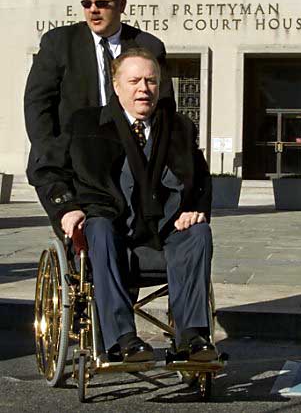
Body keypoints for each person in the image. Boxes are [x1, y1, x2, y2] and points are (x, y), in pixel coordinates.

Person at [33, 48, 217, 364]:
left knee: (199, 232)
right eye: (134, 81)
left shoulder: (179, 128)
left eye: (151, 81)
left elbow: (201, 178)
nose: (143, 89)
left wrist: (196, 207)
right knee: (99, 227)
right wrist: (67, 208)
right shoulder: (85, 124)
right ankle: (123, 339)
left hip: (164, 233)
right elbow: (47, 169)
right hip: (110, 231)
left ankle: (193, 337)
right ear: (116, 86)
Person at [24, 0, 174, 194]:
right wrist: (50, 153)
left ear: (121, 5)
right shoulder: (59, 43)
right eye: (87, 4)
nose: (93, 10)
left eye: (102, 3)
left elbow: (164, 107)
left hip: (130, 165)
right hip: (73, 164)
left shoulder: (148, 46)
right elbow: (37, 104)